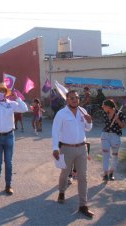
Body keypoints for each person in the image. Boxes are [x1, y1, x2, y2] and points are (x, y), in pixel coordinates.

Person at [52, 90, 94, 218]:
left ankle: (83, 205)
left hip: (82, 148)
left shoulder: (83, 111)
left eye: (76, 97)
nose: (74, 100)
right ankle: (61, 192)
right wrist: (55, 148)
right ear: (67, 100)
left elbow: (88, 128)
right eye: (71, 98)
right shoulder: (61, 113)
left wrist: (89, 121)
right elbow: (55, 131)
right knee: (65, 173)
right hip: (66, 148)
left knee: (83, 177)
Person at [101, 99, 125, 181]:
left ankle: (111, 173)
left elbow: (122, 126)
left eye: (103, 106)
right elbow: (107, 124)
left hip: (115, 136)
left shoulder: (120, 114)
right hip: (105, 135)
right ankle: (105, 174)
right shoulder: (105, 113)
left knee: (114, 156)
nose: (102, 107)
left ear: (108, 106)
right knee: (105, 155)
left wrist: (117, 119)